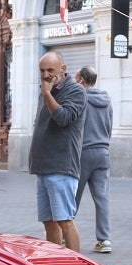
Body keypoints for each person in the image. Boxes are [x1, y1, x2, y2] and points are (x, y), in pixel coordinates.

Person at [28, 51, 86, 252]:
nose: (45, 75)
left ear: (63, 69)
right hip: (44, 167)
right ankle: (55, 262)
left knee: (65, 220)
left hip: (61, 166)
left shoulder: (75, 91)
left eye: (50, 70)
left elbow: (63, 118)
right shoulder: (47, 90)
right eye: (42, 70)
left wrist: (47, 94)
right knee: (49, 221)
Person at [74, 66, 114, 254]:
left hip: (83, 152)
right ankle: (104, 240)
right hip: (103, 151)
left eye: (76, 77)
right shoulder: (107, 100)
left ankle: (66, 234)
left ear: (82, 79)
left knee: (73, 195)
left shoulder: (81, 99)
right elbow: (110, 126)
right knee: (102, 198)